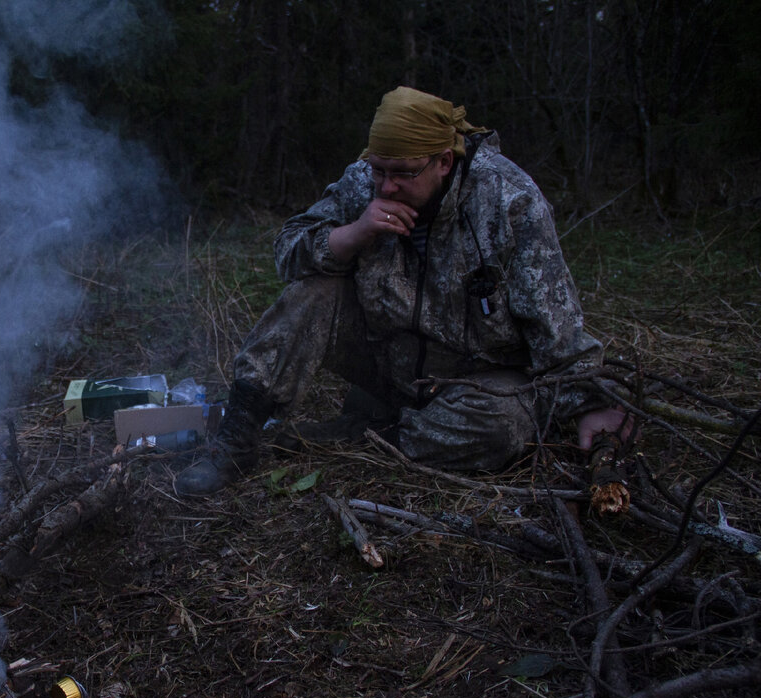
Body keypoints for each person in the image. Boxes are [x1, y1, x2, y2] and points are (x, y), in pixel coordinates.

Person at [175, 86, 630, 497]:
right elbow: (287, 251)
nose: (387, 185)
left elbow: (556, 323)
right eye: (380, 170)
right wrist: (353, 233)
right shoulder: (362, 181)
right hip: (387, 360)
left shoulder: (508, 200)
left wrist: (591, 403)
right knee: (313, 293)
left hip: (476, 379)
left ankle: (369, 436)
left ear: (443, 162)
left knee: (502, 426)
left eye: (404, 174)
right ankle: (236, 441)